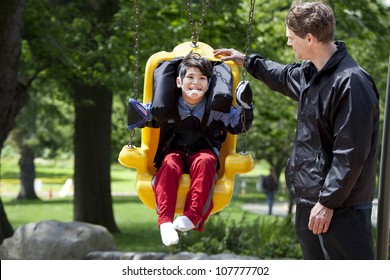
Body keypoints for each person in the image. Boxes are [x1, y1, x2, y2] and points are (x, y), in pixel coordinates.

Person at [213, 0, 379, 260]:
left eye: (291, 37)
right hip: (309, 202)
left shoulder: (351, 83)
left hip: (341, 209)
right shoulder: (309, 72)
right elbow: (280, 75)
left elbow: (350, 154)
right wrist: (248, 61)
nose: (288, 43)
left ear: (310, 38)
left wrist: (327, 203)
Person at [127, 52, 254, 246]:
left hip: (203, 152)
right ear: (179, 82)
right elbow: (148, 115)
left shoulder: (216, 108)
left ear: (209, 84)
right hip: (174, 152)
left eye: (202, 78)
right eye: (190, 77)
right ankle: (165, 222)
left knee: (205, 161)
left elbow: (238, 124)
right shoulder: (167, 105)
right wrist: (137, 113)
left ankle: (192, 216)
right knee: (169, 163)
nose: (196, 83)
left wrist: (246, 106)